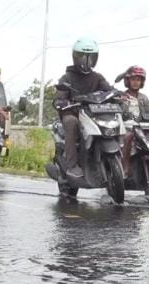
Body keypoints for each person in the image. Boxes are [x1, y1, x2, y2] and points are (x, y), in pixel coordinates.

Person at [53, 38, 113, 180]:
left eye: (90, 57)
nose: (86, 61)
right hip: (73, 113)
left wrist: (118, 95)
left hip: (93, 114)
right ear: (75, 57)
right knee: (71, 123)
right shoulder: (67, 77)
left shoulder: (97, 77)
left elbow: (108, 89)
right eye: (82, 57)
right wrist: (61, 101)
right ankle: (72, 165)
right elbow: (60, 95)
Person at [117, 65, 149, 177]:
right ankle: (124, 168)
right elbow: (118, 114)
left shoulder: (144, 98)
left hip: (141, 127)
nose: (135, 82)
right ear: (128, 81)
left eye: (138, 80)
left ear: (142, 82)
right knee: (128, 136)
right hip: (126, 128)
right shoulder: (121, 97)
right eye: (133, 79)